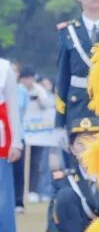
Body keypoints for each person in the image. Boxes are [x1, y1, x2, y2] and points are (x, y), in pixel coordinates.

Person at [46, 116, 99, 232]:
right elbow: (53, 224)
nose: (87, 148)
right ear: (72, 148)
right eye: (81, 143)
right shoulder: (64, 180)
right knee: (65, 197)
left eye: (93, 141)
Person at [54, 0, 99, 146]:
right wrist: (59, 123)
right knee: (81, 160)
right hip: (78, 108)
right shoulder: (68, 31)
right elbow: (63, 77)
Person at [0, 57, 22, 232]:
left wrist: (17, 142)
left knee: (3, 204)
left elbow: (13, 107)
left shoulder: (4, 68)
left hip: (1, 145)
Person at [19, 66, 53, 203]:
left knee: (35, 162)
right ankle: (21, 190)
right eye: (26, 78)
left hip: (37, 131)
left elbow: (47, 104)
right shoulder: (17, 89)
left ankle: (32, 190)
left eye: (30, 78)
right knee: (21, 162)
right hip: (21, 131)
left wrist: (38, 98)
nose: (28, 81)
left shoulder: (39, 89)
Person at [10, 61, 29, 213]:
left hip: (17, 135)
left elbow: (20, 110)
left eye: (15, 71)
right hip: (3, 136)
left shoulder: (21, 90)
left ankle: (18, 202)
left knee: (18, 171)